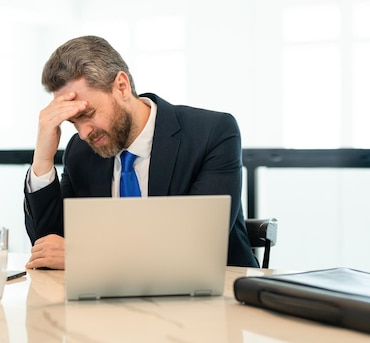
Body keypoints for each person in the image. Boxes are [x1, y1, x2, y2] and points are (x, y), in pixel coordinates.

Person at [23, 35, 258, 269]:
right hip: (111, 299)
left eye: (87, 114)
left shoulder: (211, 133)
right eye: (73, 122)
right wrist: (43, 158)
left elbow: (200, 243)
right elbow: (49, 248)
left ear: (121, 87)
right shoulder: (80, 152)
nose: (83, 133)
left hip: (215, 294)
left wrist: (84, 254)